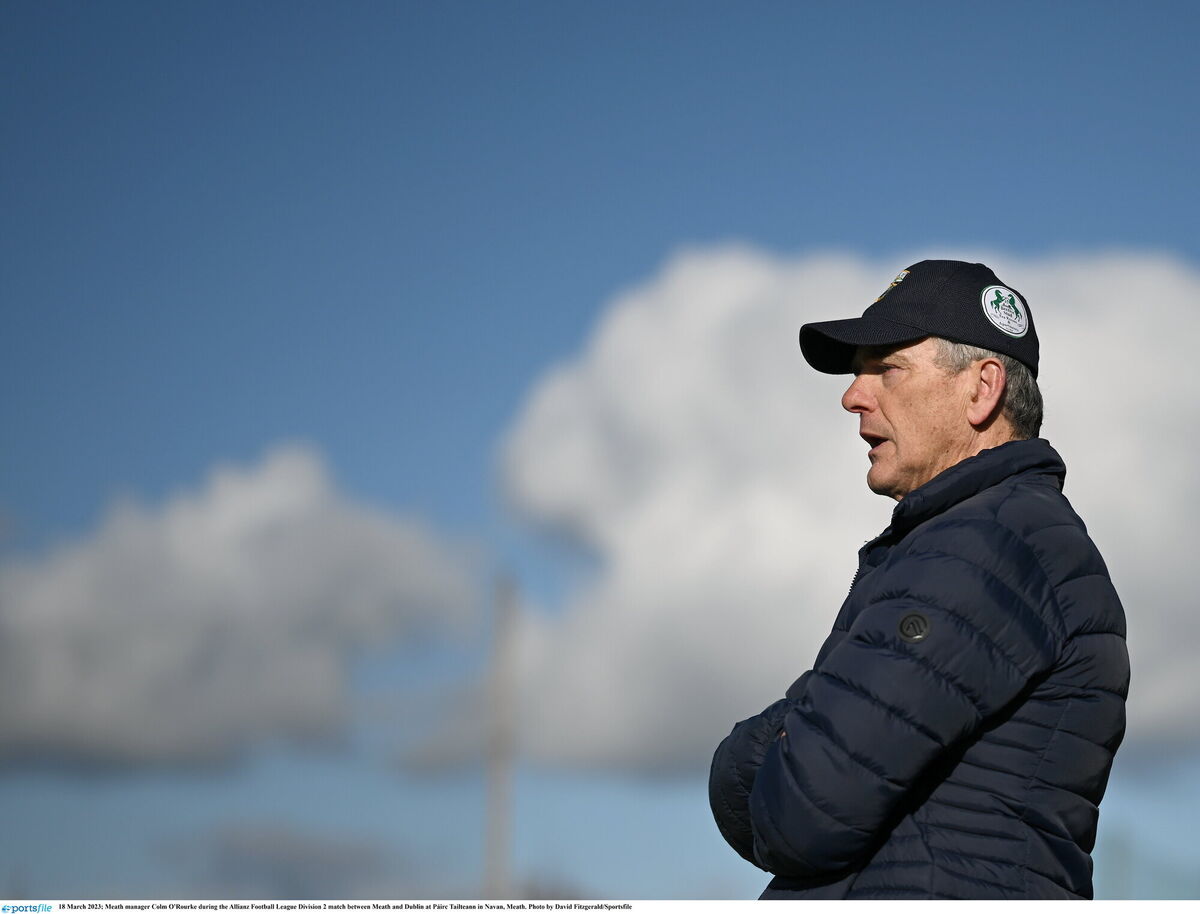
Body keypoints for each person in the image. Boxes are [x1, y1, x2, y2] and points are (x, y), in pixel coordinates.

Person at [708, 260, 1129, 899]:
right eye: (857, 374)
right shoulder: (995, 537)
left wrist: (744, 756)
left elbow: (803, 808)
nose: (853, 394)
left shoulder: (984, 544)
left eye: (887, 368)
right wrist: (803, 723)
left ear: (982, 389)